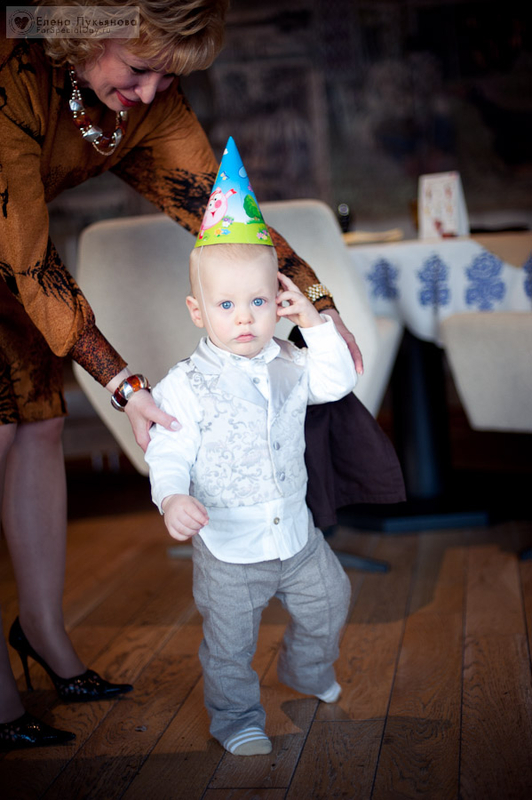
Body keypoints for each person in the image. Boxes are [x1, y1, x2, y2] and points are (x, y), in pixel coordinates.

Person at [0, 1, 363, 749]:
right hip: (17, 255)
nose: (150, 93)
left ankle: (43, 636)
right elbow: (28, 257)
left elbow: (236, 229)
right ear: (84, 28)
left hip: (22, 284)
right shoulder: (13, 69)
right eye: (139, 68)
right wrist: (127, 386)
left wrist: (321, 306)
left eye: (168, 76)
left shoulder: (151, 96)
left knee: (38, 427)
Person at [145, 138, 357, 756]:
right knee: (230, 644)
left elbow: (337, 383)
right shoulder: (185, 384)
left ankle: (305, 669)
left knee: (331, 600)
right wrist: (171, 497)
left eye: (260, 302)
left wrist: (314, 324)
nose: (245, 318)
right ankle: (236, 718)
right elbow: (167, 451)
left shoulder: (290, 359)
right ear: (197, 311)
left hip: (296, 532)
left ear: (278, 303)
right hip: (228, 546)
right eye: (227, 305)